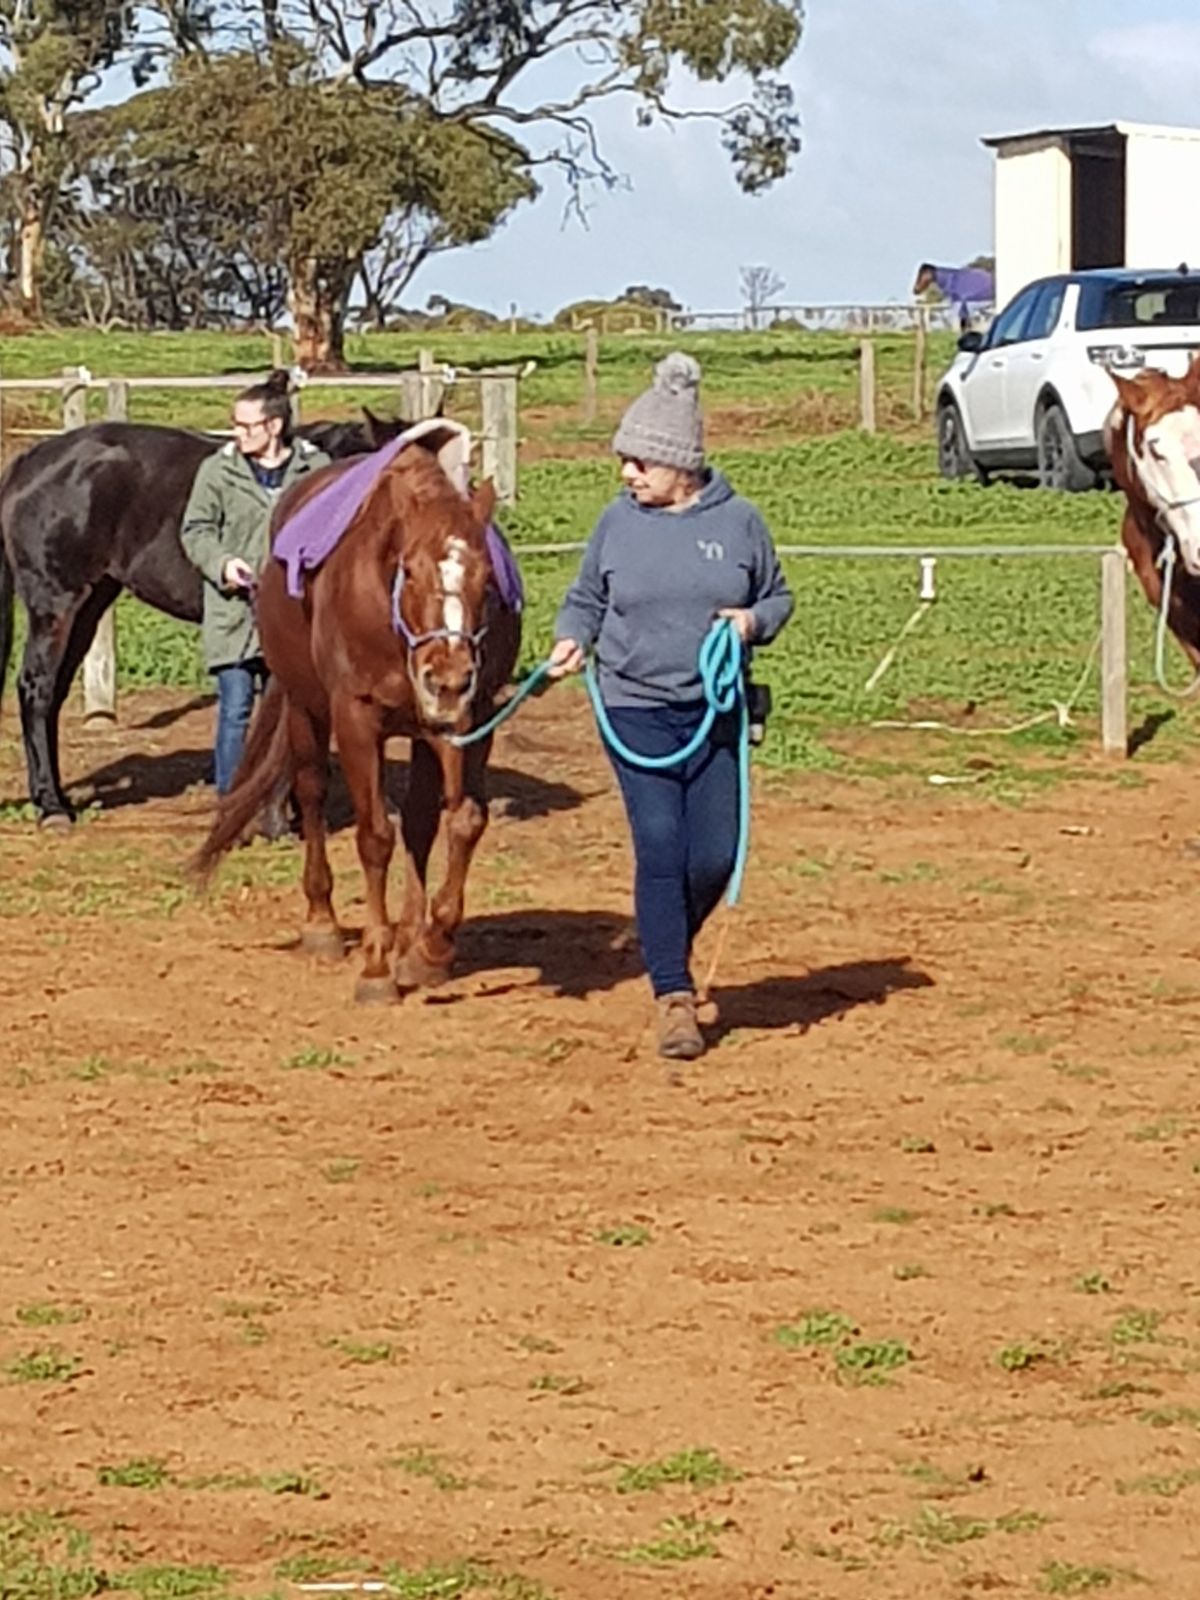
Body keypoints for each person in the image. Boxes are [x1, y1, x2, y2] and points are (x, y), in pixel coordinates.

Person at [549, 352, 794, 1062]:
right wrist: (572, 640)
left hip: (713, 712)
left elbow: (777, 595)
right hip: (633, 707)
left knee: (713, 855)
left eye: (639, 464)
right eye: (624, 462)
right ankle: (674, 996)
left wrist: (751, 623)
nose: (627, 475)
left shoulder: (742, 522)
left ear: (679, 466)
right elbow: (586, 598)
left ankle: (663, 943)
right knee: (660, 845)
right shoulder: (614, 525)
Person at [181, 371, 330, 801]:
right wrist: (223, 564)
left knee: (287, 712)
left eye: (247, 425)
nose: (238, 433)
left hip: (291, 617)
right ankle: (232, 799)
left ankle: (280, 799)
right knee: (235, 709)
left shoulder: (314, 468)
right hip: (234, 613)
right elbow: (196, 529)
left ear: (274, 426)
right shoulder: (217, 471)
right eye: (235, 424)